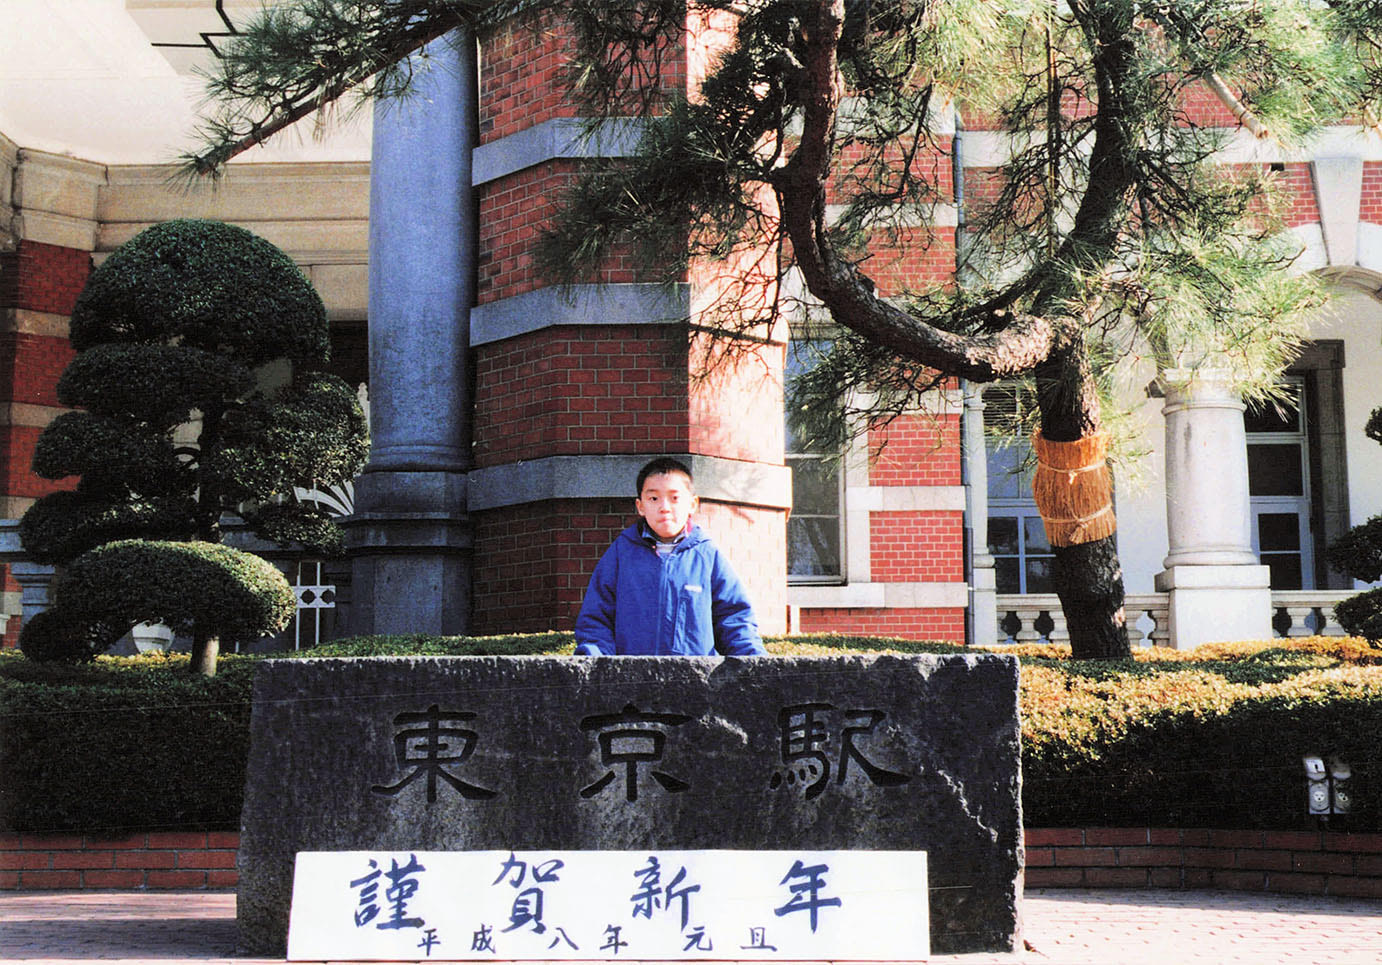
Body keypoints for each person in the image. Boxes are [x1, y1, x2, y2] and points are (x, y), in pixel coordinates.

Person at [574, 456, 766, 656]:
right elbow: (595, 621)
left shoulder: (707, 557)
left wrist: (757, 667)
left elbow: (735, 621)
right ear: (640, 506)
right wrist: (594, 662)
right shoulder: (620, 555)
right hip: (632, 679)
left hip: (696, 681)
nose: (664, 507)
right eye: (654, 498)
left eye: (675, 498)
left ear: (693, 504)